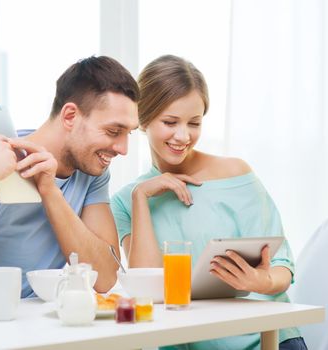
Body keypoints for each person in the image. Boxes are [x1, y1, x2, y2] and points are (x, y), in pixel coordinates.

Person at [111, 55, 306, 350]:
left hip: (268, 339)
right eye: (170, 122)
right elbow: (148, 289)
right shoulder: (127, 201)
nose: (183, 136)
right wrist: (141, 197)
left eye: (194, 123)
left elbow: (282, 267)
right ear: (143, 118)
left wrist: (258, 280)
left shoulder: (236, 174)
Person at [0, 56, 140, 308]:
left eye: (128, 133)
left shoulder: (92, 171)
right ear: (70, 115)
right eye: (113, 132)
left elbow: (104, 277)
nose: (123, 148)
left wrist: (49, 191)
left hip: (39, 326)